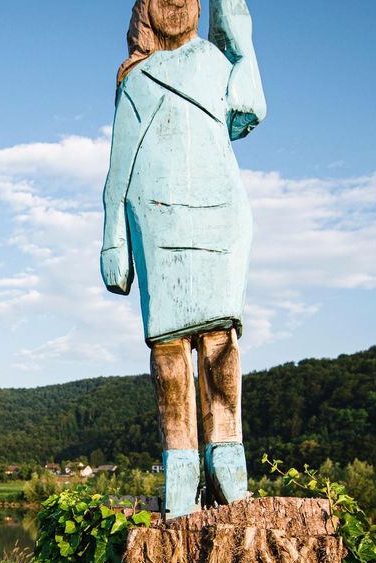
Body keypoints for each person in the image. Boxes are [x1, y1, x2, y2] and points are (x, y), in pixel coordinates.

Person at [100, 0, 267, 516]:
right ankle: (181, 461)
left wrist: (234, 19)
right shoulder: (136, 82)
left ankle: (227, 452)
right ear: (144, 12)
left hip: (220, 213)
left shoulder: (219, 64)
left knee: (221, 342)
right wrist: (113, 238)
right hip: (156, 215)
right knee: (168, 348)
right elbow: (118, 169)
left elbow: (250, 109)